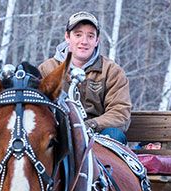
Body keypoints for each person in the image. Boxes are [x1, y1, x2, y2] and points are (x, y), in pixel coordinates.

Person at [39, 11, 131, 144]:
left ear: (96, 40)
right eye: (78, 35)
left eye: (90, 36)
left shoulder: (112, 71)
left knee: (114, 134)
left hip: (97, 134)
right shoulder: (47, 69)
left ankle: (103, 166)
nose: (84, 41)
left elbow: (120, 112)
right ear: (67, 37)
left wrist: (90, 125)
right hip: (58, 132)